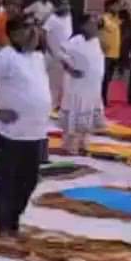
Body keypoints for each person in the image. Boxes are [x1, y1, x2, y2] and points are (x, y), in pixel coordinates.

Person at [0, 16, 51, 239]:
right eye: (27, 28)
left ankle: (13, 219)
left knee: (29, 180)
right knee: (6, 179)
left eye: (34, 27)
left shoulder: (37, 57)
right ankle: (2, 223)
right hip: (12, 132)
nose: (33, 32)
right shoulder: (6, 56)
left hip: (36, 132)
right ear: (14, 34)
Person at [55, 13, 106, 156]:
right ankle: (71, 146)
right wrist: (70, 69)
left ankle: (84, 143)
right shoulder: (77, 40)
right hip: (78, 85)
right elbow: (60, 54)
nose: (95, 25)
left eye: (96, 23)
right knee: (75, 111)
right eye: (91, 23)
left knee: (87, 113)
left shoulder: (96, 41)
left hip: (93, 85)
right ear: (83, 26)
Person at [42, 0, 74, 110]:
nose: (66, 7)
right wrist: (49, 49)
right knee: (53, 83)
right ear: (57, 7)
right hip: (53, 55)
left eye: (67, 4)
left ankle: (60, 105)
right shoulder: (52, 18)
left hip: (65, 54)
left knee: (64, 82)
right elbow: (43, 34)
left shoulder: (69, 17)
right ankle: (51, 106)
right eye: (63, 5)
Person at [99, 0, 123, 104]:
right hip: (104, 54)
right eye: (116, 5)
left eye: (119, 5)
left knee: (108, 79)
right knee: (103, 78)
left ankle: (104, 97)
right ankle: (101, 99)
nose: (118, 8)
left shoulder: (117, 19)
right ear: (109, 6)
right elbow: (97, 32)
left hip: (115, 53)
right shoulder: (103, 18)